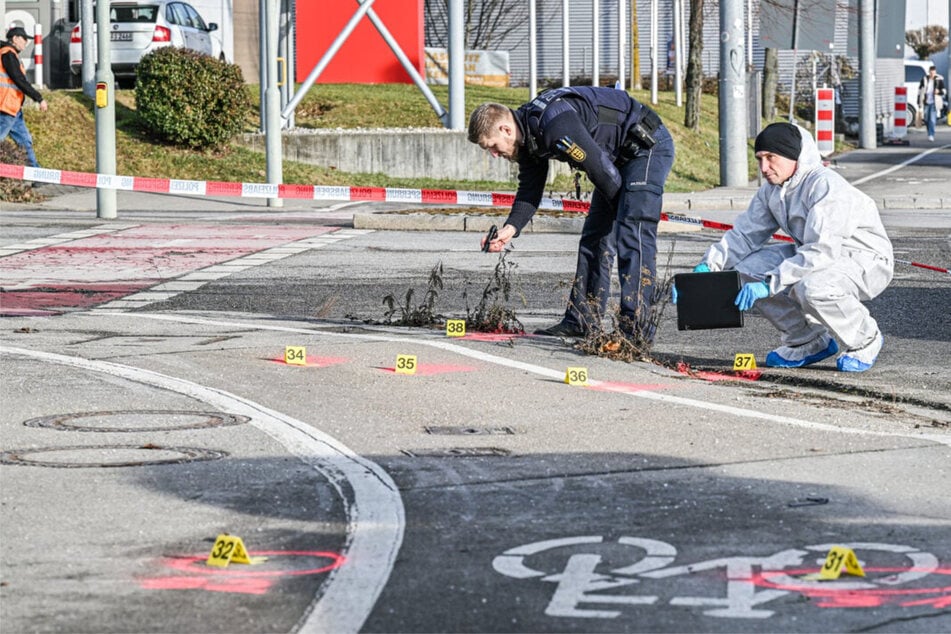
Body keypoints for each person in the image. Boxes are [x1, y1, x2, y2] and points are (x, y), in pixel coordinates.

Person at [467, 87, 675, 340]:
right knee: (595, 237)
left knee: (633, 231)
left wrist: (626, 213)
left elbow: (601, 170)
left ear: (505, 130)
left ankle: (635, 332)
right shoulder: (529, 133)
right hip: (615, 159)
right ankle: (582, 321)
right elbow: (530, 189)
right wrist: (510, 229)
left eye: (492, 146)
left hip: (647, 147)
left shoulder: (555, 124)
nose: (494, 154)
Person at [687, 122, 893, 372]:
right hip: (815, 253)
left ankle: (865, 338)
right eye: (759, 159)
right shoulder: (772, 191)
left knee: (812, 287)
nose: (763, 167)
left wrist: (770, 283)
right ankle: (807, 340)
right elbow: (744, 235)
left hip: (864, 260)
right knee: (745, 272)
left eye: (770, 157)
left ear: (793, 155)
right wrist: (708, 266)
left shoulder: (826, 186)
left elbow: (822, 250)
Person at [1, 26, 47, 168]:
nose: (26, 43)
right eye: (24, 39)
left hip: (13, 109)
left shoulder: (11, 54)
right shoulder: (8, 54)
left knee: (25, 142)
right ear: (15, 38)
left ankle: (36, 174)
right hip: (5, 108)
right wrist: (38, 98)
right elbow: (19, 79)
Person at [918, 66, 947, 142]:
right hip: (926, 102)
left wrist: (939, 92)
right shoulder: (924, 79)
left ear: (935, 72)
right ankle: (929, 132)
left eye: (933, 73)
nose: (932, 74)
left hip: (934, 102)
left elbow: (944, 91)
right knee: (926, 119)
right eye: (931, 73)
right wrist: (919, 102)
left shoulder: (939, 80)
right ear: (929, 72)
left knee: (932, 119)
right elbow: (919, 90)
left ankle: (931, 135)